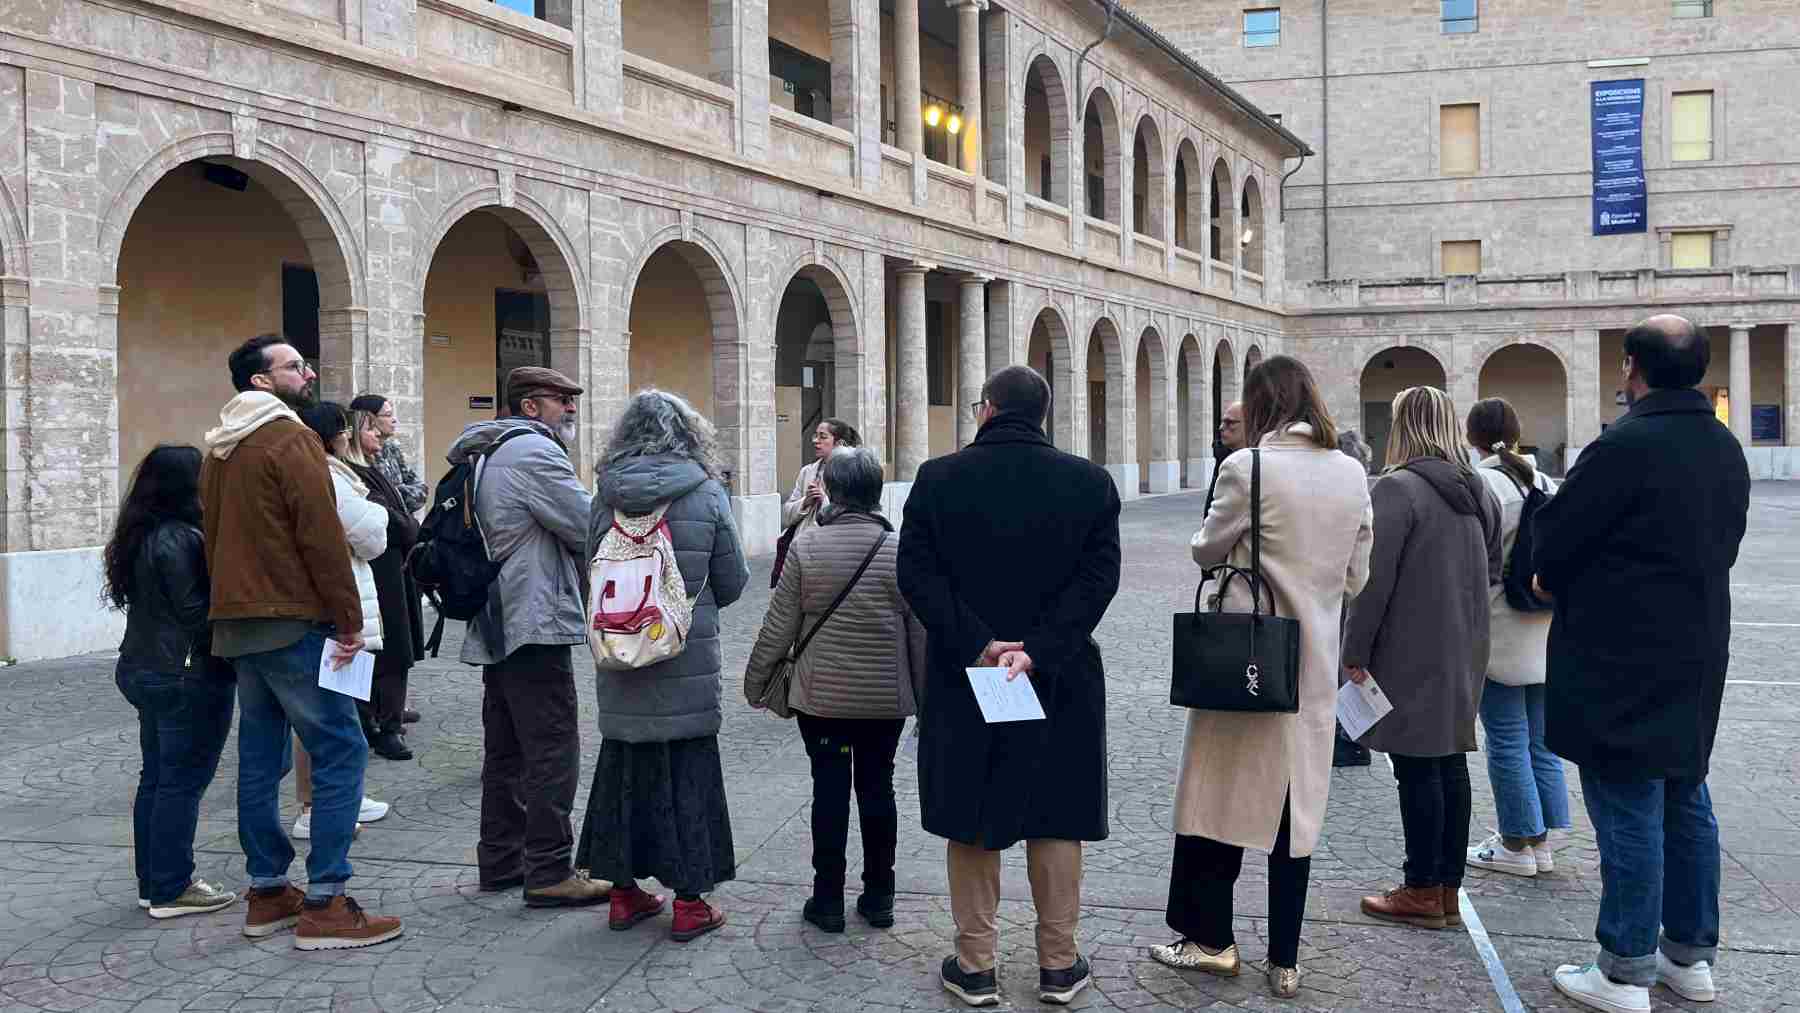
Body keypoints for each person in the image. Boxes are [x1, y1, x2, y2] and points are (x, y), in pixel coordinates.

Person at [1538, 316, 1749, 1013]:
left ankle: (1625, 966)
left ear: (1631, 368)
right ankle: (1689, 955)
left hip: (1619, 650)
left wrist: (1547, 576)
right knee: (1685, 790)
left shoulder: (1622, 445)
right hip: (1695, 645)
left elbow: (1558, 547)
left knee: (1626, 797)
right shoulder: (1724, 446)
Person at [898, 365, 1121, 1008]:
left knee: (971, 814)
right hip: (1060, 676)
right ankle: (1057, 962)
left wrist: (981, 644)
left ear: (987, 411)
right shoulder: (1089, 482)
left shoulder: (938, 479)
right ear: (1042, 415)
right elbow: (1098, 581)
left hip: (968, 674)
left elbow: (916, 576)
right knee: (1056, 813)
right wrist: (1040, 650)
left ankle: (975, 964)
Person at [1151, 356, 1373, 1000]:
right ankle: (1285, 958)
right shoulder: (1351, 471)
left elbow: (1205, 549)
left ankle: (1210, 940)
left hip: (1246, 656)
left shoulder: (1247, 468)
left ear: (1261, 404)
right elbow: (1357, 575)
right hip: (1312, 662)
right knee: (1291, 810)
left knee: (1218, 799)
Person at [201, 334, 401, 949]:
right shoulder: (290, 439)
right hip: (293, 620)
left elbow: (212, 536)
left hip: (238, 625)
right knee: (341, 750)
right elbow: (321, 537)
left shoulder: (218, 449)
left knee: (261, 758)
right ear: (261, 382)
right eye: (294, 367)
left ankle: (267, 892)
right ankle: (325, 901)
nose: (307, 373)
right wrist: (349, 621)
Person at [576, 389, 749, 941]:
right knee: (688, 778)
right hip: (684, 660)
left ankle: (624, 895)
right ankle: (691, 904)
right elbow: (733, 581)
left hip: (621, 660)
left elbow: (590, 567)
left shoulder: (605, 495)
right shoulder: (706, 492)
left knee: (624, 775)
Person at [448, 366, 610, 908]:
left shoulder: (489, 450)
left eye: (571, 399)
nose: (569, 408)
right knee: (553, 747)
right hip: (532, 616)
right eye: (560, 399)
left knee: (508, 749)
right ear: (528, 406)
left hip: (499, 618)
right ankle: (548, 869)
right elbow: (587, 524)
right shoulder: (534, 453)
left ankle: (501, 859)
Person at [745, 445, 924, 934]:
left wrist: (756, 682)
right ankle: (879, 896)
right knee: (877, 787)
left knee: (828, 790)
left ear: (835, 493)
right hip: (884, 701)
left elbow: (778, 627)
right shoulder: (900, 551)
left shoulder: (807, 547)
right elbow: (918, 634)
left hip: (821, 699)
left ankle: (826, 899)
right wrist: (926, 699)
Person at [1343, 386, 1500, 933]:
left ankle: (1420, 888)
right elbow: (1495, 568)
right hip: (1465, 644)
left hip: (1411, 646)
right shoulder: (1476, 489)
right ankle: (1446, 888)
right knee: (1450, 763)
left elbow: (1371, 582)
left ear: (1403, 424)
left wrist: (1353, 651)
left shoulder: (1397, 489)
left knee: (1415, 767)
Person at [104, 445, 238, 919]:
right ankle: (172, 886)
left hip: (145, 668)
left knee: (158, 779)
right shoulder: (182, 538)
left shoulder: (141, 534)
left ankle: (153, 881)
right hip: (186, 676)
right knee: (180, 782)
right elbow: (196, 615)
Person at [1463, 398, 1569, 878]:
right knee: (1541, 740)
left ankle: (1514, 842)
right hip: (1544, 623)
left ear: (1472, 437)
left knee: (1505, 739)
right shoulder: (1545, 481)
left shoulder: (1481, 484)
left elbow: (1473, 562)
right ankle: (1542, 842)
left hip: (1499, 624)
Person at [288, 401, 392, 842]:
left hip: (350, 606)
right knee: (327, 716)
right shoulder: (329, 475)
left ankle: (347, 793)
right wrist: (384, 513)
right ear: (336, 435)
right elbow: (371, 536)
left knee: (345, 708)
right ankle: (315, 805)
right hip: (340, 609)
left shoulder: (334, 473)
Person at [346, 404, 426, 761]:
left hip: (392, 570)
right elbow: (391, 522)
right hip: (369, 572)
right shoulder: (348, 475)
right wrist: (405, 525)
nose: (379, 433)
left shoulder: (374, 469)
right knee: (367, 650)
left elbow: (403, 510)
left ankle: (387, 722)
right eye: (370, 428)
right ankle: (368, 725)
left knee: (395, 649)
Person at [1332, 429, 1376, 769]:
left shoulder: (1346, 496)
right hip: (1354, 591)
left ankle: (1350, 739)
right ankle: (1352, 737)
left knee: (1343, 667)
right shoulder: (1365, 494)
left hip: (1345, 592)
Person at [350, 393, 429, 514]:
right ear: (368, 418)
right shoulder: (355, 456)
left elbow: (421, 488)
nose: (394, 420)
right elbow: (376, 500)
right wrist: (398, 494)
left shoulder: (392, 448)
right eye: (388, 415)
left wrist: (395, 494)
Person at [781, 418, 862, 531]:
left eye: (822, 437)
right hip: (803, 543)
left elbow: (851, 517)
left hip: (831, 542)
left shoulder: (852, 473)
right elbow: (786, 516)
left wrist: (823, 500)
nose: (815, 441)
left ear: (839, 443)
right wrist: (805, 501)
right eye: (815, 436)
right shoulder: (807, 472)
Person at [1202, 400, 1245, 511]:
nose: (1221, 427)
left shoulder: (1251, 465)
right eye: (1222, 422)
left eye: (1229, 423)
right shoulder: (1222, 456)